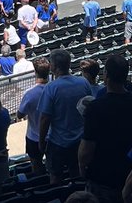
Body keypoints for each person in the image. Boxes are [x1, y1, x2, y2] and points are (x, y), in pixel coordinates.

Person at [79, 55, 132, 202]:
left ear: (106, 76)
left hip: (103, 179)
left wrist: (82, 169)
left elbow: (86, 149)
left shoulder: (96, 107)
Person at [38, 48, 93, 184]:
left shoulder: (51, 88)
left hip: (58, 142)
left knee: (55, 177)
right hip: (80, 140)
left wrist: (41, 141)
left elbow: (45, 118)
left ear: (54, 66)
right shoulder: (83, 82)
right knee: (77, 174)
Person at [17, 58, 51, 175]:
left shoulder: (30, 93)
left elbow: (20, 114)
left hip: (34, 137)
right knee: (53, 165)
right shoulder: (55, 88)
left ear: (35, 72)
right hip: (53, 136)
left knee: (36, 166)